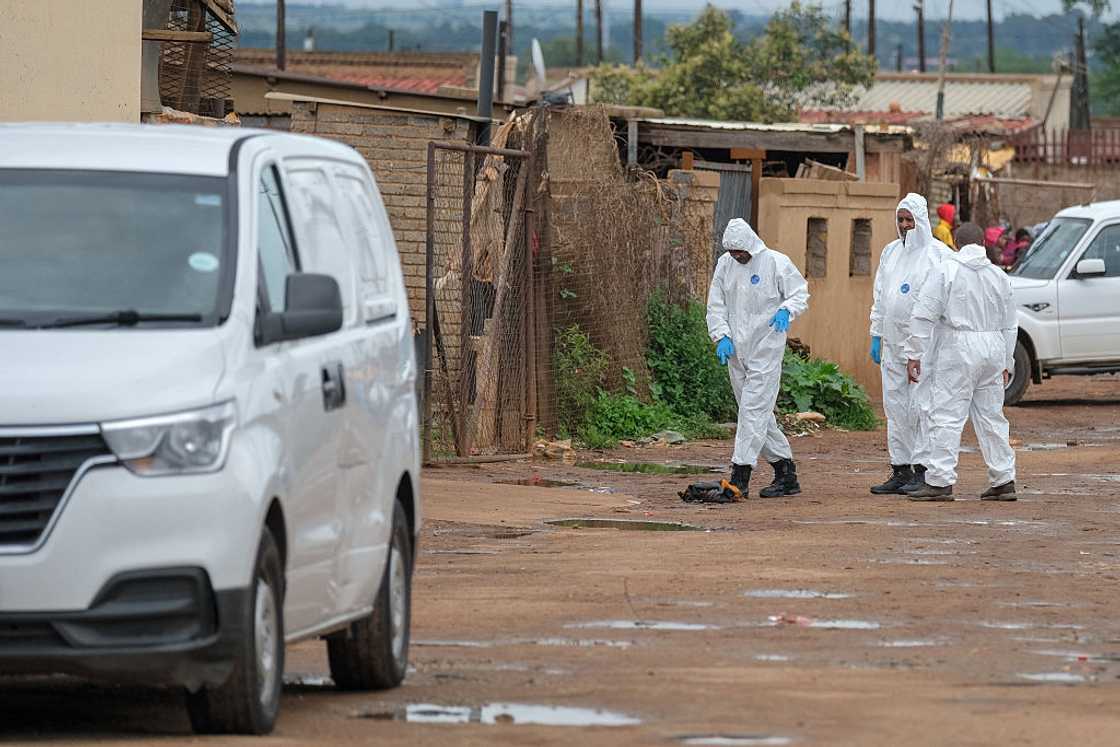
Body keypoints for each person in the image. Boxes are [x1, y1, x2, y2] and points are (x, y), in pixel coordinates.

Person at [903, 222, 1018, 502]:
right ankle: (1003, 478)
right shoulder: (998, 275)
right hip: (993, 347)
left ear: (955, 242)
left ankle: (940, 480)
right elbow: (1010, 323)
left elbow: (923, 313)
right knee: (991, 416)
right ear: (982, 243)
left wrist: (914, 352)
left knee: (946, 414)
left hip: (958, 347)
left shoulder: (946, 270)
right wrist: (1006, 361)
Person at [707, 218, 810, 498]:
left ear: (751, 244)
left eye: (740, 251)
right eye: (732, 251)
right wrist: (721, 336)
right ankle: (786, 473)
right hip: (736, 354)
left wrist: (786, 310)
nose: (736, 256)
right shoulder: (725, 266)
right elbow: (716, 304)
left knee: (751, 413)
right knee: (758, 416)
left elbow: (799, 292)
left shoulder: (776, 262)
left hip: (766, 350)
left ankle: (740, 478)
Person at [868, 193, 954, 495]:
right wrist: (876, 333)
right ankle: (900, 468)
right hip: (892, 344)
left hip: (923, 346)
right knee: (895, 407)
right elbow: (881, 296)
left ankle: (923, 468)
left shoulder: (938, 255)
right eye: (901, 220)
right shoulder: (890, 252)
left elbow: (948, 297)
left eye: (910, 220)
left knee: (921, 407)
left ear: (922, 221)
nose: (905, 226)